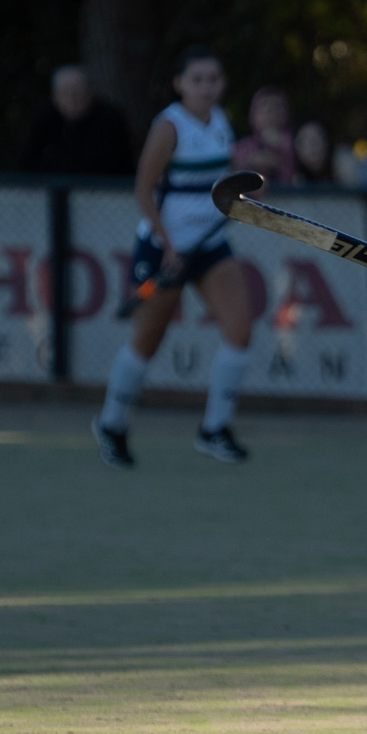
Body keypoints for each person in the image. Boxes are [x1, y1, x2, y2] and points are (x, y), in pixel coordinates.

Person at [90, 46, 252, 469]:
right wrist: (169, 246)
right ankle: (112, 424)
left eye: (213, 78)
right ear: (180, 84)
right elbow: (144, 190)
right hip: (165, 249)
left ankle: (215, 429)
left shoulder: (221, 121)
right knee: (147, 341)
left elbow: (221, 182)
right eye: (197, 79)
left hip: (210, 243)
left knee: (240, 331)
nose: (206, 87)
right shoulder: (169, 126)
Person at [18, 65, 133, 175]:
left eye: (77, 92)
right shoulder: (46, 119)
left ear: (90, 93)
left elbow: (111, 165)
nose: (72, 98)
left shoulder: (110, 120)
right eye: (65, 92)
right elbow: (28, 161)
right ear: (55, 96)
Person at [231, 86, 298, 187]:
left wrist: (283, 150)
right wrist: (251, 163)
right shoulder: (241, 147)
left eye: (276, 107)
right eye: (263, 107)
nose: (269, 112)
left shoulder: (297, 142)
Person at [293, 121, 336, 185]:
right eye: (305, 141)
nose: (312, 146)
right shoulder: (296, 180)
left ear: (326, 143)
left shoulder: (340, 164)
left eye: (316, 139)